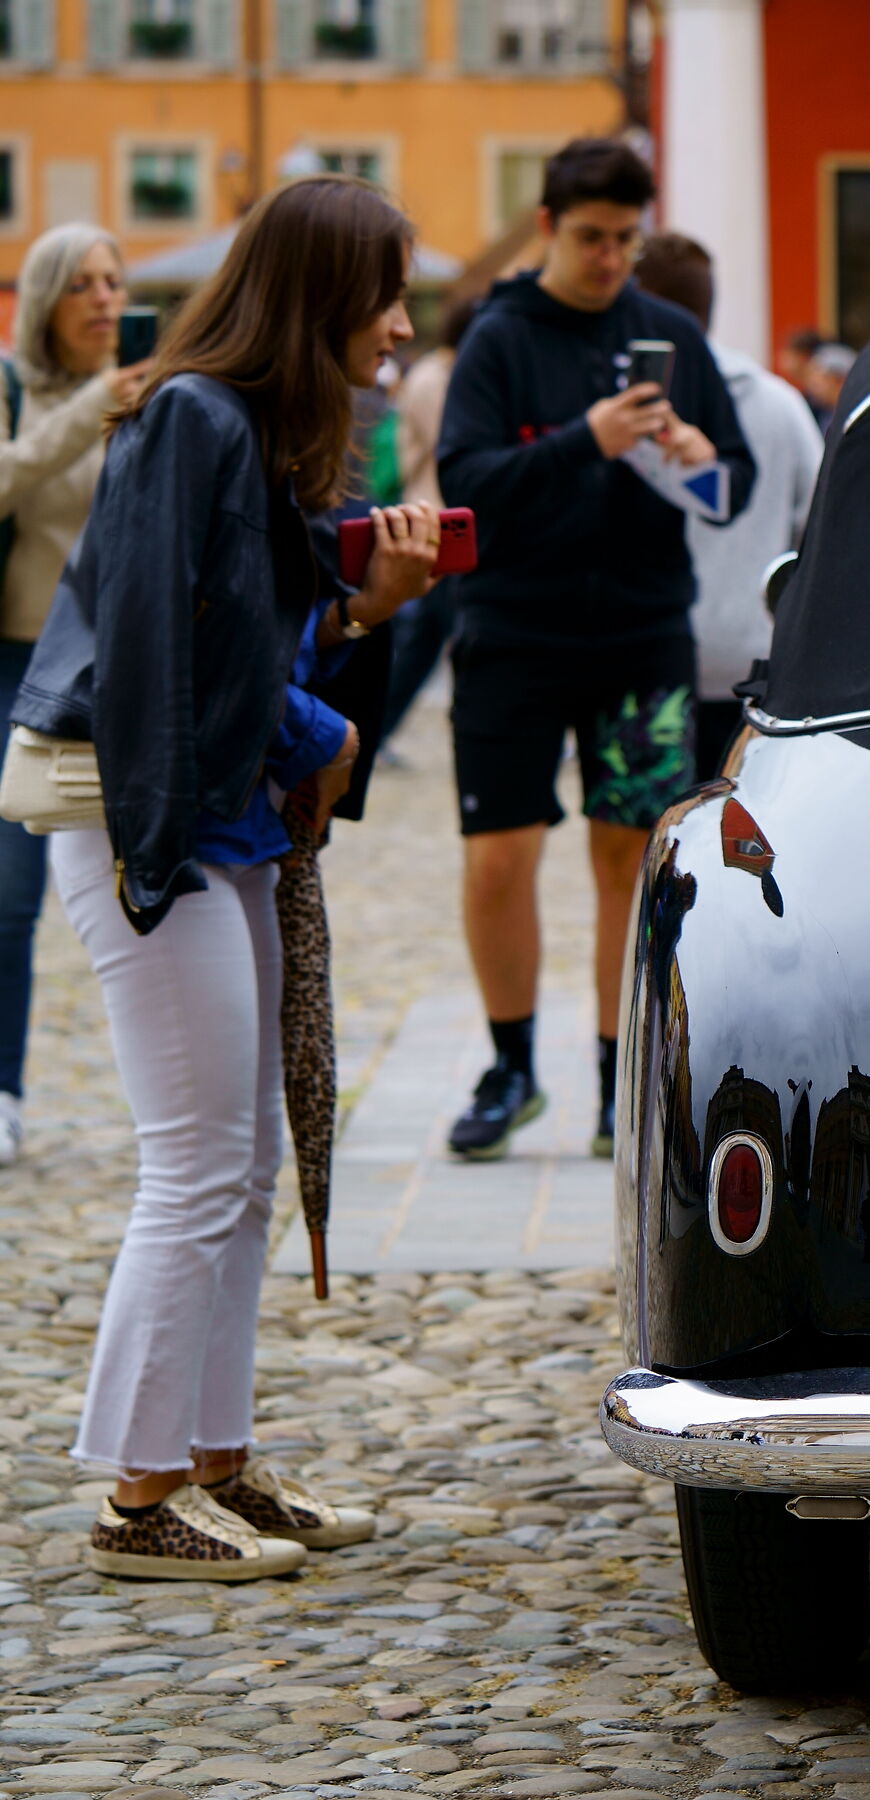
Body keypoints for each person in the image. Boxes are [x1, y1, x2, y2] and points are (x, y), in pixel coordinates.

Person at [30, 176, 442, 1577]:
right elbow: (170, 660)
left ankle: (216, 1462)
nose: (398, 321)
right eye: (382, 291)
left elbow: (264, 653)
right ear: (322, 294)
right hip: (152, 810)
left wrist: (368, 610)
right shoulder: (202, 418)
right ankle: (139, 1500)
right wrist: (316, 726)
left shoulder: (253, 425)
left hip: (214, 811)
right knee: (197, 1160)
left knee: (243, 1158)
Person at [437, 137, 754, 1163]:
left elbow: (731, 489)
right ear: (547, 230)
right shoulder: (498, 336)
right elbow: (466, 483)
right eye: (591, 239)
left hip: (639, 631)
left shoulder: (667, 333)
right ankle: (510, 1065)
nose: (610, 258)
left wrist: (702, 461)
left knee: (630, 854)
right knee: (498, 859)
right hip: (513, 632)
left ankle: (622, 1077)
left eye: (626, 239)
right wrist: (587, 440)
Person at [0, 225, 149, 1165]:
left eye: (113, 281)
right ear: (46, 300)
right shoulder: (21, 393)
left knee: (151, 884)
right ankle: (5, 1089)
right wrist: (93, 405)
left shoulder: (154, 394)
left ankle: (160, 1088)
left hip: (123, 668)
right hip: (19, 662)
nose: (102, 299)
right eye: (81, 285)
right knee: (12, 895)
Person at [632, 233, 822, 778]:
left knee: (648, 842)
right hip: (753, 661)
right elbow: (816, 532)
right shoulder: (780, 404)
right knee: (735, 843)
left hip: (645, 661)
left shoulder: (622, 409)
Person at [382, 290, 480, 743]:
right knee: (431, 640)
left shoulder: (448, 372)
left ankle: (379, 733)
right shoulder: (433, 378)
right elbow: (457, 442)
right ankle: (379, 732)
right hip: (437, 526)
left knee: (428, 643)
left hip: (449, 528)